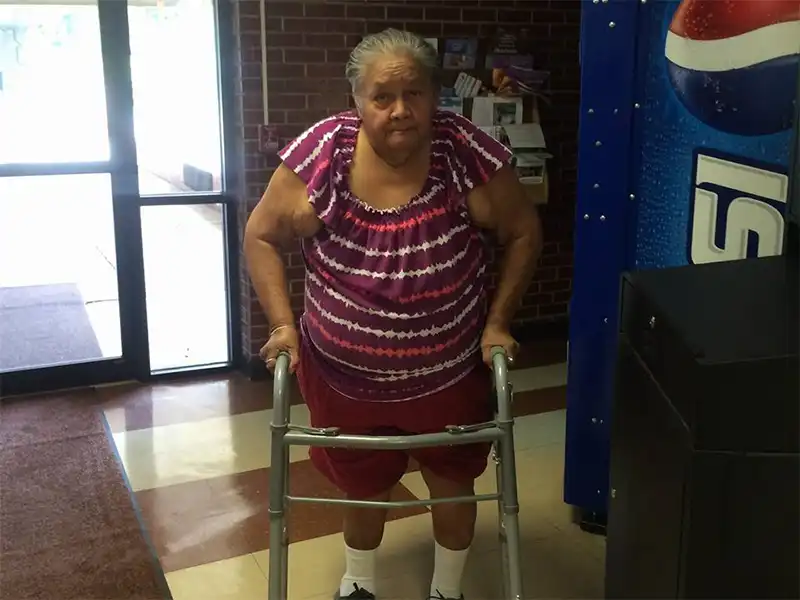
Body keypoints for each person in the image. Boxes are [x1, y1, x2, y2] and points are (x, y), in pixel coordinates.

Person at [244, 28, 543, 600]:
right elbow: (260, 235)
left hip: (450, 373)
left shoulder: (464, 150)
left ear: (435, 96)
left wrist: (499, 321)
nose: (401, 110)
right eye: (382, 96)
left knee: (452, 482)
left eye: (416, 93)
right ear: (356, 99)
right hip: (342, 377)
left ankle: (447, 590)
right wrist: (283, 325)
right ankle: (358, 585)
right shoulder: (323, 152)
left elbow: (525, 231)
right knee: (362, 483)